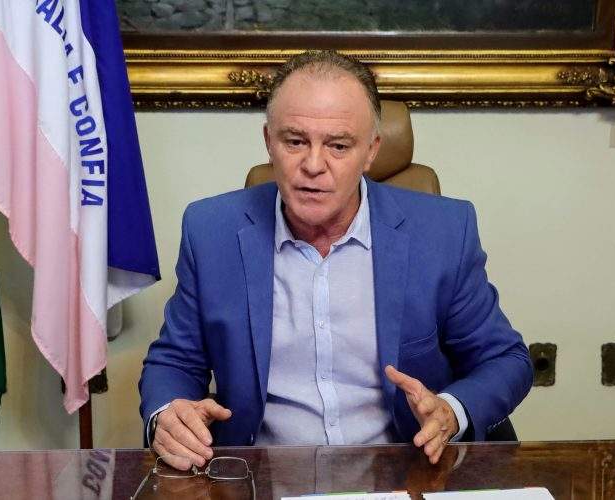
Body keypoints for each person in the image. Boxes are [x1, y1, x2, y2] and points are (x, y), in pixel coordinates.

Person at [139, 50, 532, 470]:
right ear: (269, 141)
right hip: (263, 475)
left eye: (338, 146)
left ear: (371, 151)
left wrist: (451, 411)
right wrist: (167, 414)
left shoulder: (443, 232)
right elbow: (174, 361)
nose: (313, 165)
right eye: (294, 141)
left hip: (405, 473)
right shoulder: (210, 231)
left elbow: (505, 360)